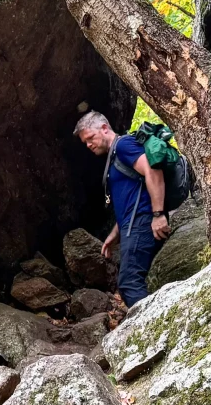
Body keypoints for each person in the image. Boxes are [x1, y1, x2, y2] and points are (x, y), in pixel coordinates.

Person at [73, 110, 171, 307]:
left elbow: (153, 170)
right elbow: (129, 199)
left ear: (104, 128)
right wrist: (115, 234)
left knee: (129, 284)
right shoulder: (115, 155)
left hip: (142, 222)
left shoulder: (124, 145)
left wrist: (158, 214)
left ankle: (153, 329)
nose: (89, 145)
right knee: (133, 282)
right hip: (132, 224)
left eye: (90, 138)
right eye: (85, 143)